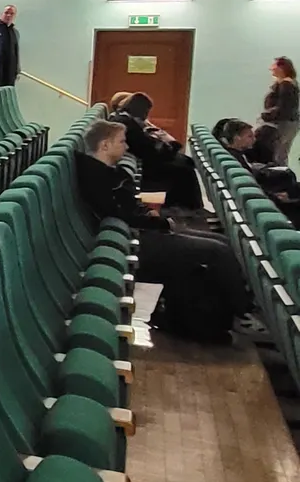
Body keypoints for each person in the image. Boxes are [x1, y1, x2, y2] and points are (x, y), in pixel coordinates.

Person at [75, 119, 253, 343]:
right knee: (218, 251)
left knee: (222, 242)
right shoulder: (96, 176)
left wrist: (150, 215)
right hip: (135, 241)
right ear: (105, 145)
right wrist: (160, 223)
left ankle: (222, 313)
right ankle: (243, 312)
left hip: (142, 231)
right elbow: (117, 214)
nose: (127, 147)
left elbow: (125, 206)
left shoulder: (106, 171)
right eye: (121, 142)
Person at [112, 92, 201, 211]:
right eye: (146, 111)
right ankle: (190, 207)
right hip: (145, 166)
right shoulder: (127, 123)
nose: (147, 115)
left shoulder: (125, 120)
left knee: (185, 162)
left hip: (143, 160)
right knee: (184, 170)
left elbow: (144, 144)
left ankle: (178, 205)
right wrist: (169, 149)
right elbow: (145, 149)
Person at [260, 56, 299, 166]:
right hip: (286, 122)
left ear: (282, 68)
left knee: (279, 154)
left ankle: (280, 174)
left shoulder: (286, 84)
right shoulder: (285, 84)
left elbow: (284, 107)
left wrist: (266, 116)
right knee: (280, 153)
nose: (271, 68)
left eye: (274, 66)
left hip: (285, 123)